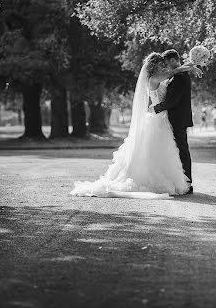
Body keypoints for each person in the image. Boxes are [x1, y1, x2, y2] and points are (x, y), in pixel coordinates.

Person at [71, 52, 201, 199]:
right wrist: (191, 66)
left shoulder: (162, 77)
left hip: (163, 118)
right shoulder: (154, 78)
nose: (164, 67)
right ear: (155, 66)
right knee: (160, 150)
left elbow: (175, 72)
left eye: (165, 64)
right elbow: (175, 71)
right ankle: (165, 180)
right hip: (159, 117)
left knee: (166, 150)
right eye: (162, 64)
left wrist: (191, 67)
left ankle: (176, 180)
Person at [154, 49, 196, 194]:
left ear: (172, 60)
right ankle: (181, 181)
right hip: (174, 118)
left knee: (182, 150)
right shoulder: (178, 75)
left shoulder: (180, 78)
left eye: (166, 62)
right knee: (177, 150)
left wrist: (156, 109)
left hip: (178, 119)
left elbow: (173, 100)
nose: (165, 66)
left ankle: (187, 183)